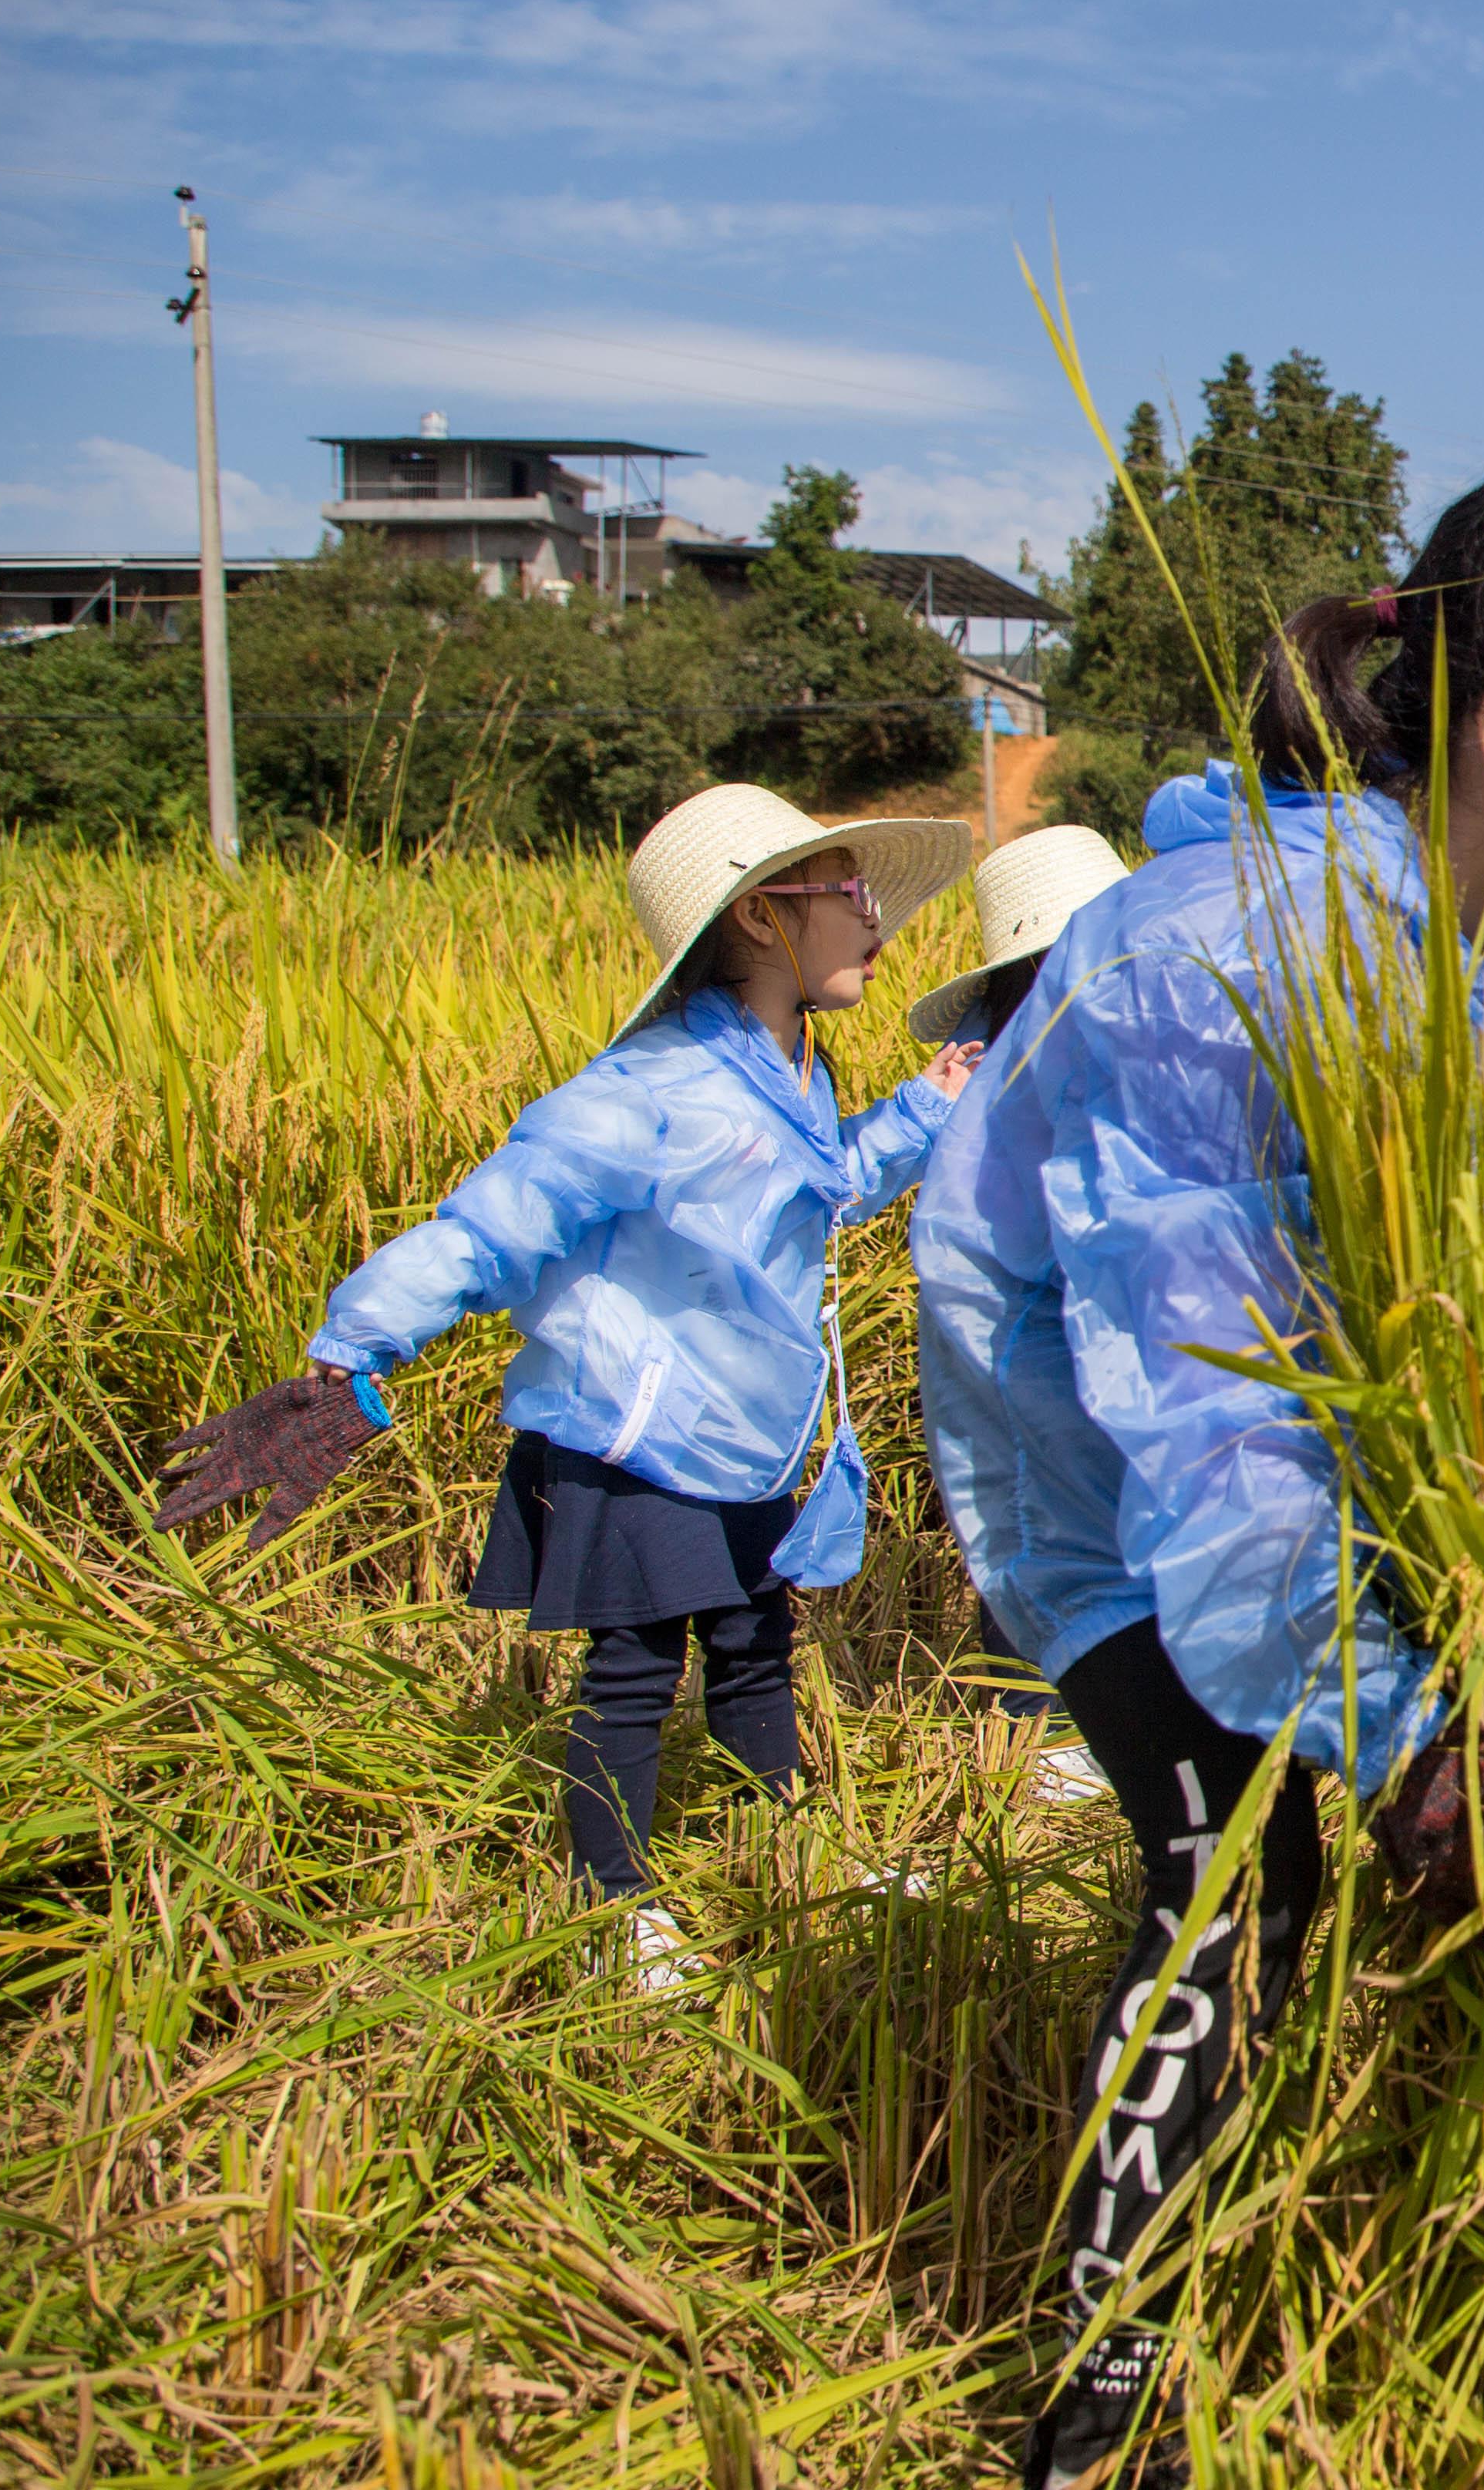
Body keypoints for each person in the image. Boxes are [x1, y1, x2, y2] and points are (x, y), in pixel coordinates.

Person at [910, 459, 1484, 2490]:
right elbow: (1209, 1412)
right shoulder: (1214, 963)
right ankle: (1102, 2395)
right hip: (1110, 1465)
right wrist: (1404, 1727)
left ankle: (1444, 2270)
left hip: (1362, 1431)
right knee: (1237, 1865)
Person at [153, 784, 981, 1962]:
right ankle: (614, 1913)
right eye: (852, 895)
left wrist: (922, 1109)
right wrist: (354, 1353)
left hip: (747, 1426)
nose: (880, 926)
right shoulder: (647, 1091)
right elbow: (496, 1224)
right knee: (635, 1676)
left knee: (756, 1644)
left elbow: (825, 1189)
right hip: (635, 1431)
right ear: (760, 918)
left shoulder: (799, 1072)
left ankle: (794, 1852)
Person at [901, 822, 1136, 1799]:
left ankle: (1071, 1725)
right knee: (1037, 1516)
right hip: (1033, 1344)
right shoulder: (1006, 1094)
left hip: (1102, 1345)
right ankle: (1034, 1733)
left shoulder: (1112, 1056)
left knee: (1069, 1520)